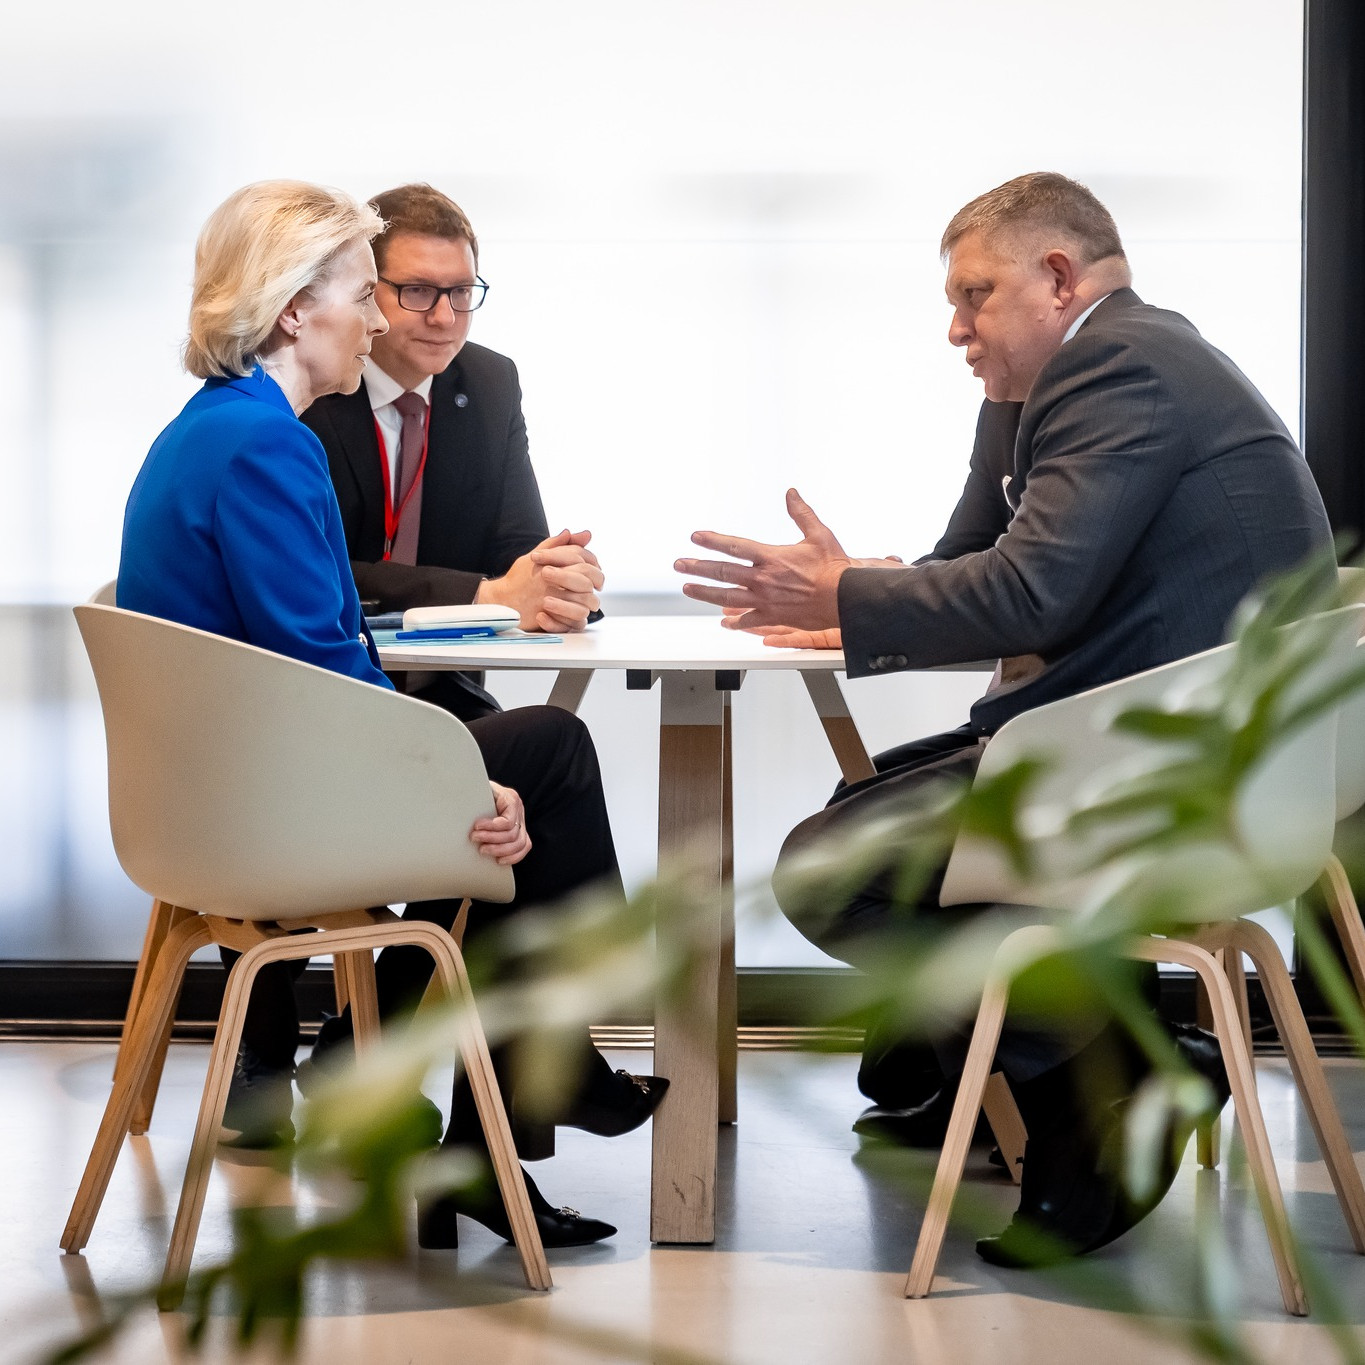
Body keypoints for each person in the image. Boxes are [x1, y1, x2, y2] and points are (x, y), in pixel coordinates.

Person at [675, 172, 1332, 1264]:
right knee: (869, 806)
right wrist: (859, 585)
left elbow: (1032, 598)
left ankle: (1116, 1075)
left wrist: (843, 598)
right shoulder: (1114, 365)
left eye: (976, 296)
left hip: (1166, 776)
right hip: (1191, 755)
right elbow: (980, 561)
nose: (954, 328)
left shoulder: (1121, 366)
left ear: (1058, 277)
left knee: (836, 867)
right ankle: (1019, 1077)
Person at [118, 180, 664, 1251]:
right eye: (360, 297)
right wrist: (458, 782)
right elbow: (322, 668)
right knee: (544, 759)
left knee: (530, 773)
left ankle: (499, 1120)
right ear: (291, 311)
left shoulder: (218, 430)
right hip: (267, 808)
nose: (377, 322)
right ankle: (528, 1097)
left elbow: (319, 660)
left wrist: (456, 770)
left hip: (224, 787)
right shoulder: (269, 446)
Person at [301, 181, 604, 724]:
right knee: (556, 746)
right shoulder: (315, 385)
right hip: (329, 687)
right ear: (368, 292)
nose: (444, 318)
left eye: (461, 292)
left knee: (551, 745)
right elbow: (326, 573)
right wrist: (489, 595)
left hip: (445, 693)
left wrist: (559, 580)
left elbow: (517, 551)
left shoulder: (490, 382)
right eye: (417, 291)